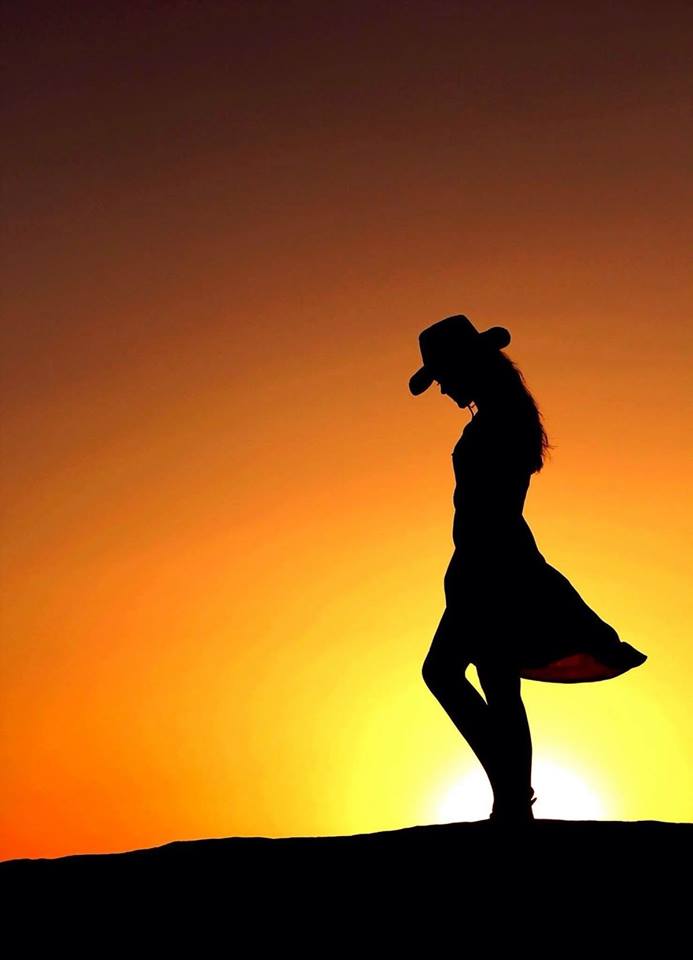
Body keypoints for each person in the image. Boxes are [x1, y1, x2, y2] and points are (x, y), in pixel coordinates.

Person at [410, 315, 647, 824]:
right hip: (486, 562)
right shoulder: (500, 417)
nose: (443, 388)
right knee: (488, 680)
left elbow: (491, 507)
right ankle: (512, 798)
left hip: (491, 564)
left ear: (467, 366)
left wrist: (474, 566)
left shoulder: (499, 422)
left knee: (454, 674)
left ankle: (512, 796)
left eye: (444, 375)